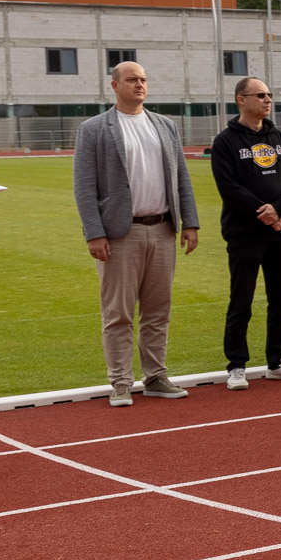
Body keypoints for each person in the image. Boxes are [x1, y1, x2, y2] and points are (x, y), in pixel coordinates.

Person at [73, 61, 200, 407]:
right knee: (119, 313)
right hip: (119, 234)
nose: (139, 84)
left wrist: (189, 222)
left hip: (162, 229)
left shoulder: (165, 126)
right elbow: (84, 186)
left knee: (158, 310)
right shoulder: (93, 129)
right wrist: (94, 233)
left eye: (143, 79)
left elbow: (181, 177)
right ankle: (120, 382)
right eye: (132, 80)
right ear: (115, 85)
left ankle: (156, 376)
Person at [210, 77, 281, 390]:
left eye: (269, 95)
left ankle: (277, 361)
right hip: (245, 235)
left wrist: (279, 210)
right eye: (261, 95)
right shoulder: (225, 141)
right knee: (241, 302)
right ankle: (236, 366)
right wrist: (266, 213)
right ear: (241, 99)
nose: (268, 100)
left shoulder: (280, 138)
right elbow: (229, 187)